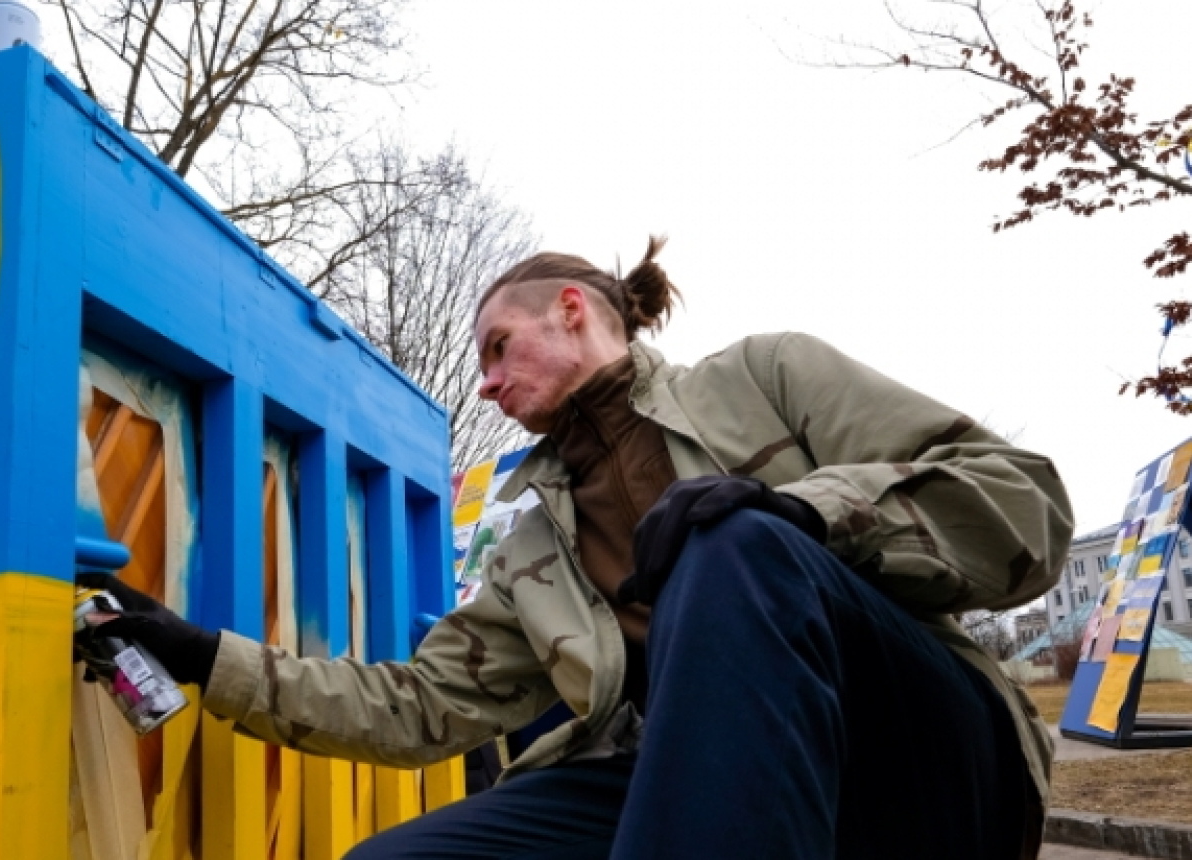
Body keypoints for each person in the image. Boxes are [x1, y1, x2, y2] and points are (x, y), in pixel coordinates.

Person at [89, 237, 1072, 858]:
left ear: (571, 311)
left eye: (497, 347)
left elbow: (1024, 503)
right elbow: (413, 703)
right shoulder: (532, 547)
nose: (484, 385)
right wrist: (203, 657)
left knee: (732, 542)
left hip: (918, 751)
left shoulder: (764, 377)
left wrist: (807, 514)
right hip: (682, 777)